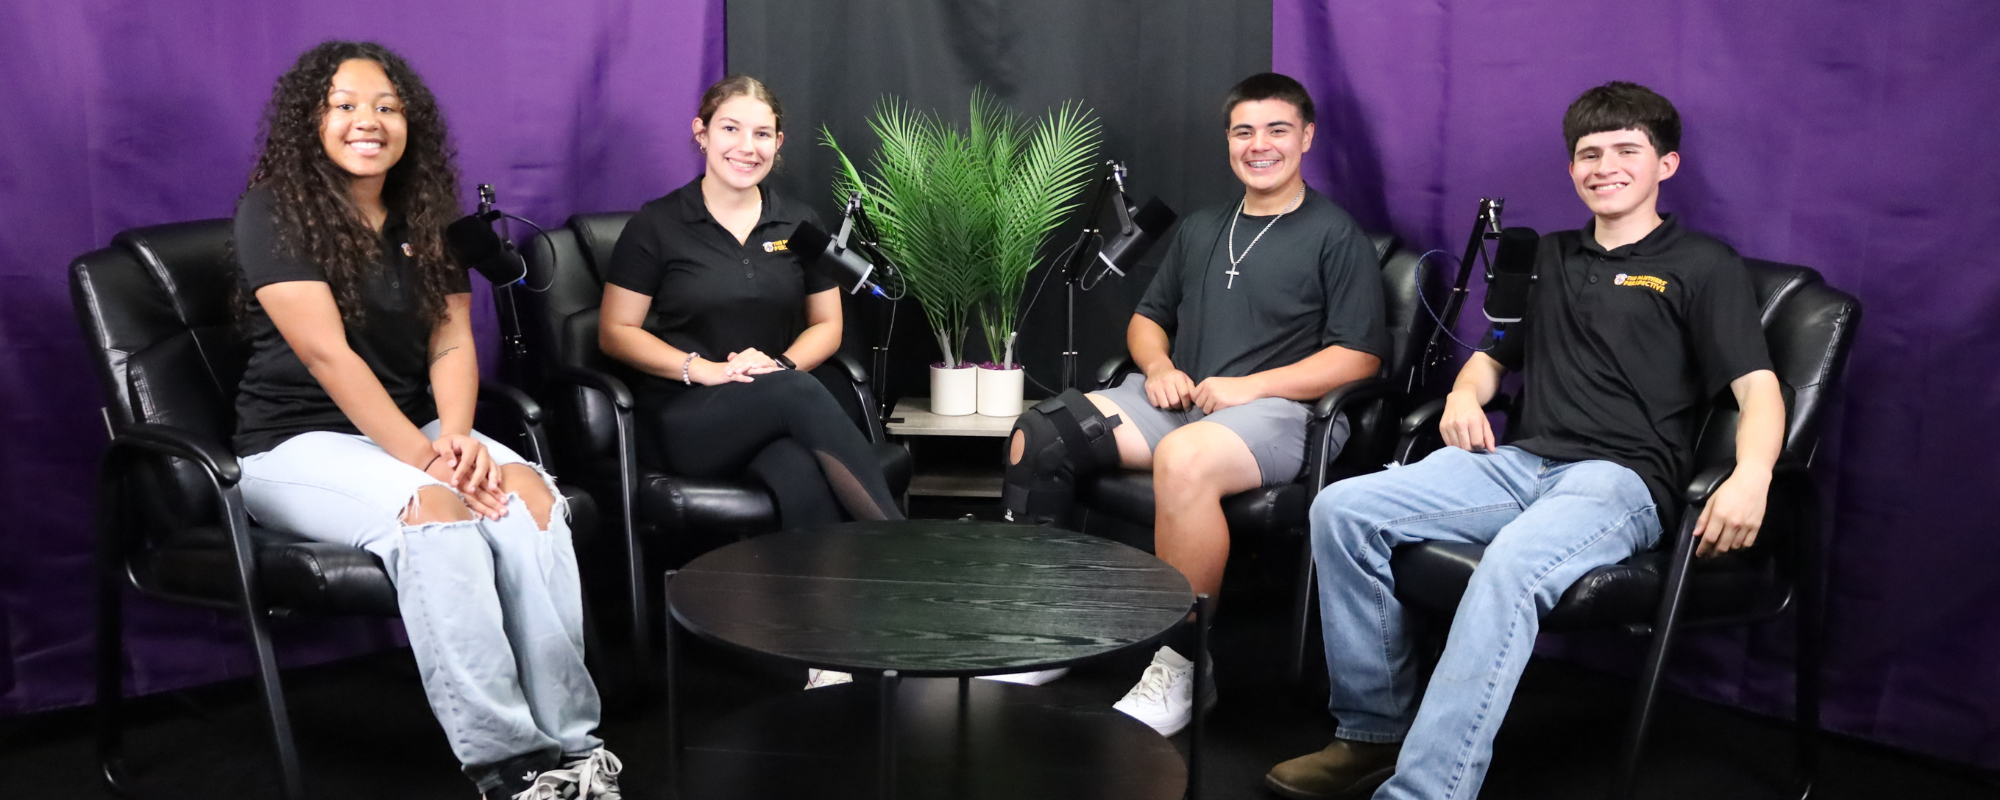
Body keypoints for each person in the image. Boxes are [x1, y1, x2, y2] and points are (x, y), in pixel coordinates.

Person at [1265, 82, 1786, 800]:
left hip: (1619, 481)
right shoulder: (1544, 257)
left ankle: (1425, 792)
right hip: (1518, 463)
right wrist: (1460, 397)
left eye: (1626, 150)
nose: (1605, 165)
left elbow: (1757, 387)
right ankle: (1370, 734)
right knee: (1341, 511)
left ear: (1666, 165)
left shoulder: (1703, 264)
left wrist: (1752, 475)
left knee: (1510, 566)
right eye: (1589, 154)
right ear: (1572, 170)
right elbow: (1490, 355)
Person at [231, 42, 618, 800]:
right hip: (295, 442)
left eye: (385, 106)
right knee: (436, 508)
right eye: (343, 105)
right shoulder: (272, 211)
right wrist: (429, 460)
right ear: (311, 120)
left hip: (415, 432)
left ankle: (574, 750)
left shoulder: (425, 217)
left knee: (529, 498)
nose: (366, 120)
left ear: (411, 122)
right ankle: (509, 765)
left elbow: (449, 341)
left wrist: (460, 437)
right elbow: (328, 357)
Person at [1000, 72, 1390, 734]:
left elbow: (1360, 358)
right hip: (1185, 401)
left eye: (1276, 130)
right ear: (1229, 141)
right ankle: (1044, 630)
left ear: (1307, 137)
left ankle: (1182, 665)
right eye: (1244, 131)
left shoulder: (1336, 236)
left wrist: (1252, 386)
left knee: (1182, 459)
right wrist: (1155, 367)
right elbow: (1148, 320)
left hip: (1280, 416)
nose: (1258, 145)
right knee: (1041, 433)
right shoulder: (1205, 227)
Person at [597, 75, 905, 689]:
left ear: (779, 142)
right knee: (793, 400)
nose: (747, 145)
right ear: (701, 134)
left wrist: (779, 366)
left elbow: (827, 326)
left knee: (798, 464)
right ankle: (909, 563)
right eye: (731, 129)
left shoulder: (800, 221)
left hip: (772, 406)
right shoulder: (658, 225)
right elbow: (616, 332)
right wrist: (705, 369)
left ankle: (824, 654)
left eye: (762, 133)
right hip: (686, 417)